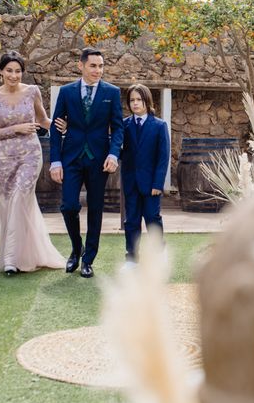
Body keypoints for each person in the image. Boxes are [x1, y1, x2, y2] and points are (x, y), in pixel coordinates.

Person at [0, 51, 66, 275]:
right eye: (9, 70)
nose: (14, 75)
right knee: (9, 203)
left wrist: (65, 129)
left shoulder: (32, 92)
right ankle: (25, 253)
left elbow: (42, 120)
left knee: (21, 197)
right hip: (3, 157)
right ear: (1, 72)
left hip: (30, 154)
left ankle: (11, 259)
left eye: (18, 71)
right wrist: (16, 128)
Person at [49, 47, 124, 278]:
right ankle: (76, 247)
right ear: (80, 65)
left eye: (101, 66)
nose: (98, 70)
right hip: (71, 158)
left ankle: (88, 259)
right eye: (93, 65)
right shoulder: (66, 92)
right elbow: (55, 127)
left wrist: (113, 154)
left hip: (99, 160)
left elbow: (118, 127)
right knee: (69, 205)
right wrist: (55, 161)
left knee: (96, 209)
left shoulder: (112, 92)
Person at [120, 83, 170, 267]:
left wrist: (158, 183)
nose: (135, 103)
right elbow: (119, 151)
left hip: (151, 184)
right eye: (132, 100)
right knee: (131, 220)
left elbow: (163, 157)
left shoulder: (159, 126)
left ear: (147, 101)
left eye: (139, 99)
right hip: (130, 181)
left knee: (152, 217)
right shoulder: (123, 125)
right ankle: (132, 257)